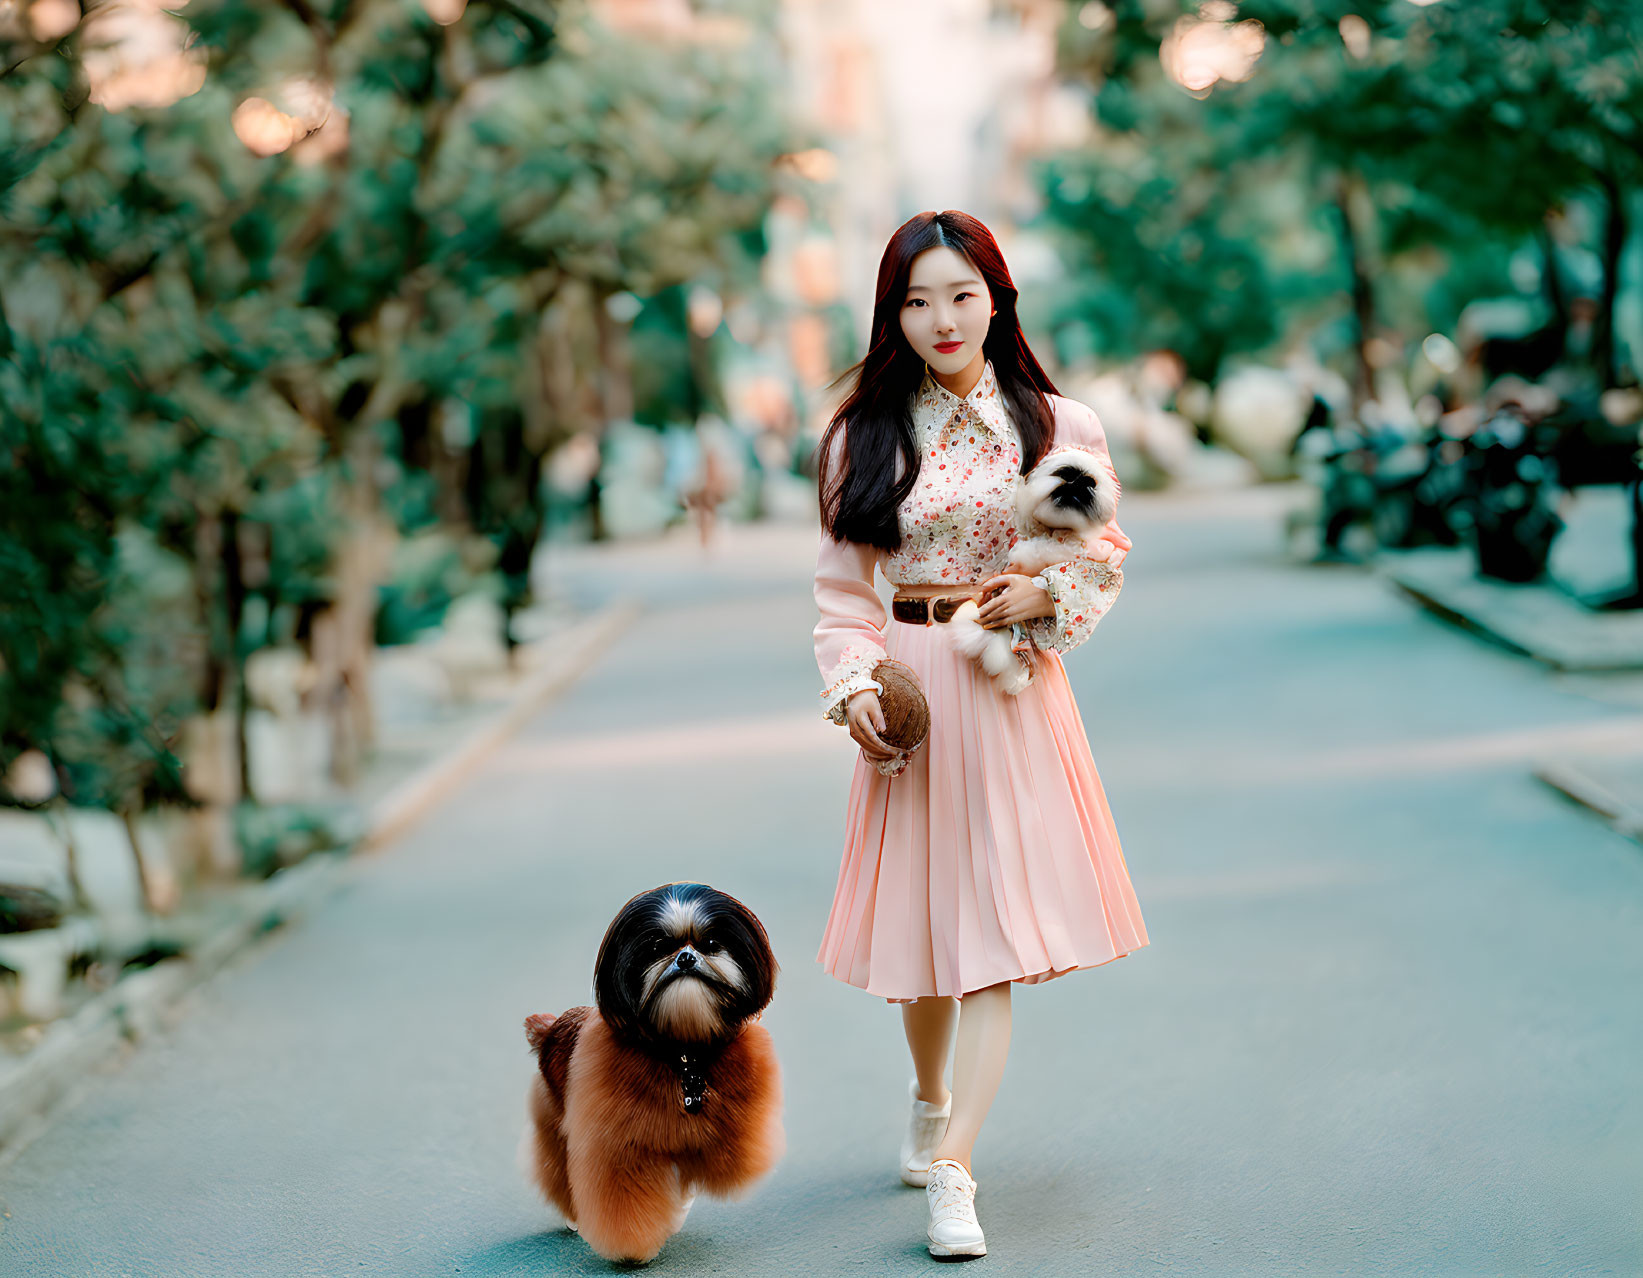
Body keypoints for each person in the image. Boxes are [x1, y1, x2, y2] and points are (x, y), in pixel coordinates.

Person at [811, 210, 1150, 1260]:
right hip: (913, 694)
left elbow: (1100, 553)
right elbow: (839, 596)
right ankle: (927, 1095)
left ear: (996, 297)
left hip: (1007, 692)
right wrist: (856, 685)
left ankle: (953, 1169)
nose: (939, 318)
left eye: (959, 294)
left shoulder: (1056, 427)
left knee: (990, 944)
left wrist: (1037, 593)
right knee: (923, 951)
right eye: (915, 301)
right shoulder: (859, 436)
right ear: (892, 315)